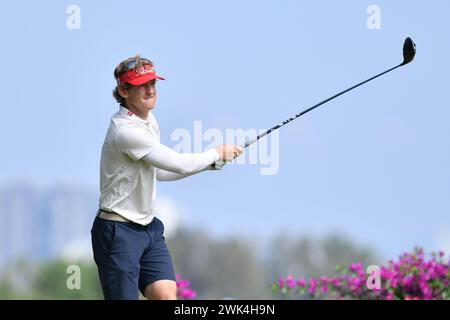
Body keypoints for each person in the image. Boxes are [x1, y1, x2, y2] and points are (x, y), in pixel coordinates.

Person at [91, 55, 243, 300]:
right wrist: (216, 152)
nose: (150, 90)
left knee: (166, 295)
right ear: (123, 90)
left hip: (148, 228)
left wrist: (211, 163)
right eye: (142, 85)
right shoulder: (125, 131)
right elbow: (178, 164)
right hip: (117, 232)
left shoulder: (148, 120)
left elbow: (160, 171)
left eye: (153, 83)